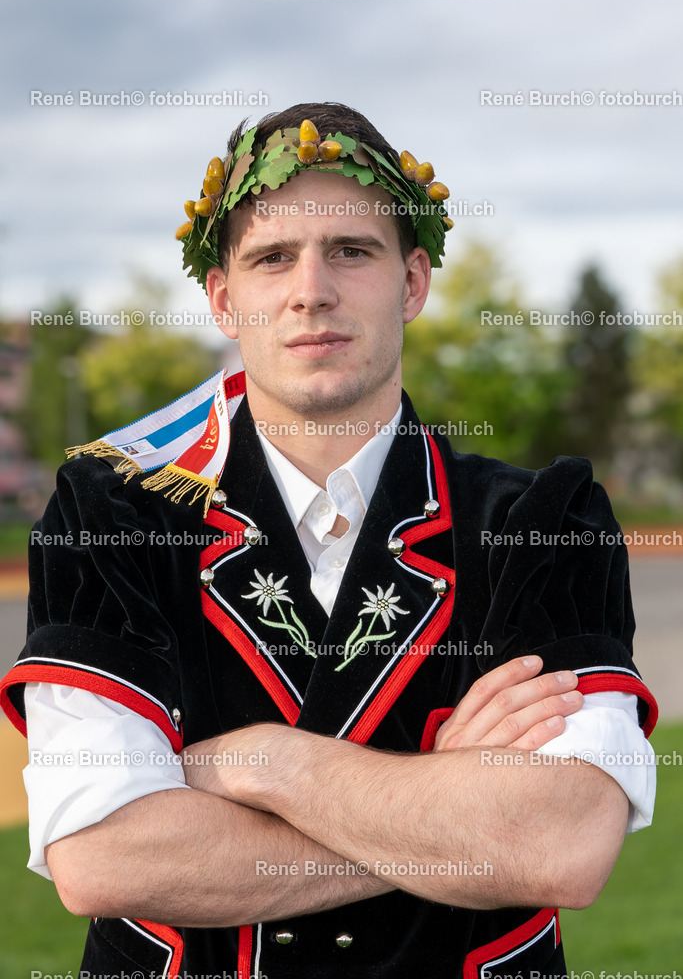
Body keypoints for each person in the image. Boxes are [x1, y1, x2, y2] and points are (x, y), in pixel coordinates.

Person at [1, 102, 657, 979]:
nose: (311, 289)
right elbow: (102, 857)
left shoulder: (540, 522)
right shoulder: (109, 520)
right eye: (272, 257)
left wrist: (262, 764)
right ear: (224, 300)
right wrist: (446, 804)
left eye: (351, 250)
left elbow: (558, 843)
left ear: (412, 283)